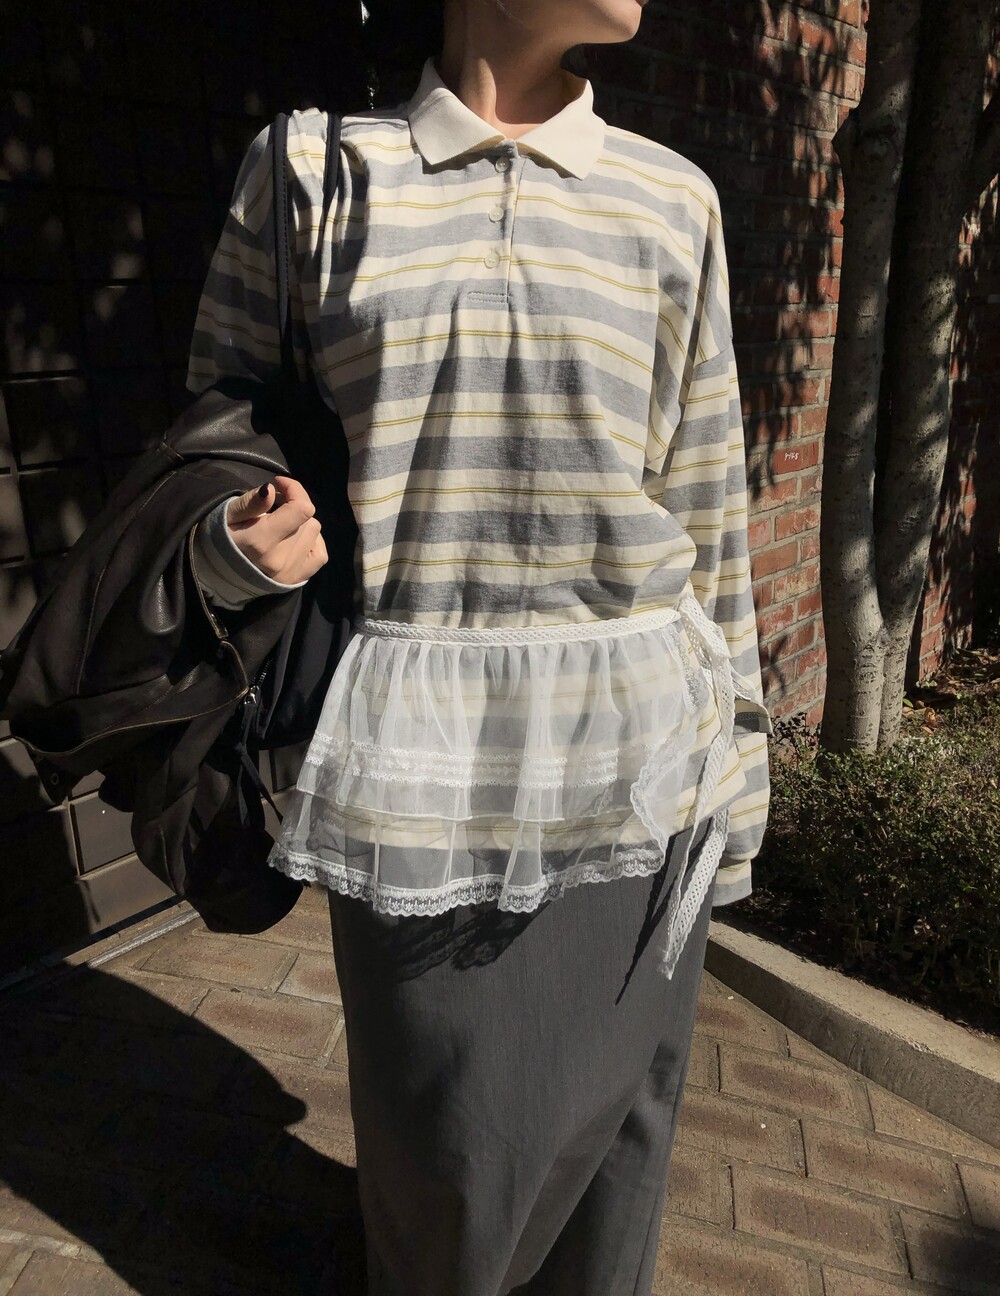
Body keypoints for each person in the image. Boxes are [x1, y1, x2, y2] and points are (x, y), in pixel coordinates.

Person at [186, 1, 772, 1291]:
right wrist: (233, 550)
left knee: (617, 1171)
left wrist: (735, 795)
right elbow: (209, 445)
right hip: (418, 781)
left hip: (644, 778)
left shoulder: (673, 199)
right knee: (444, 1175)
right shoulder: (313, 176)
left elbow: (708, 510)